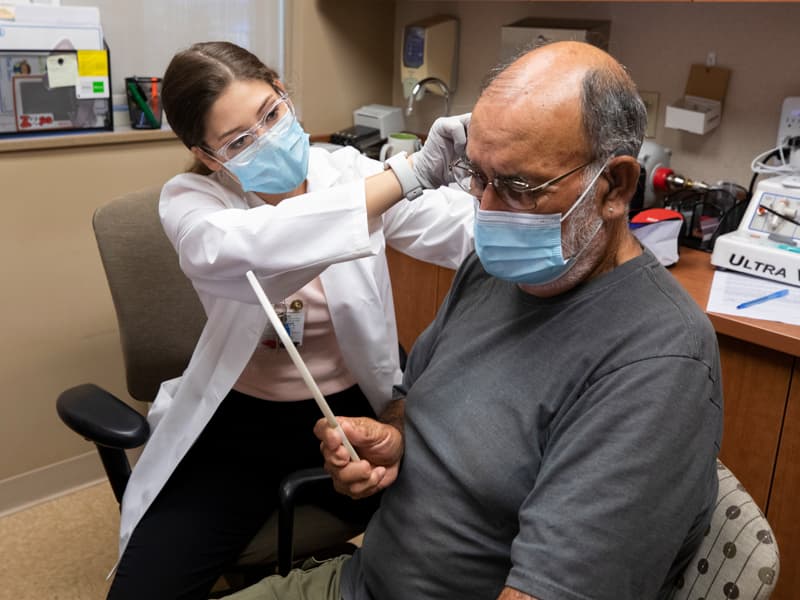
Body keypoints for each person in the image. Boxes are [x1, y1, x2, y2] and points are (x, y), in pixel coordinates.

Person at [225, 40, 724, 600]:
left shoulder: (656, 361)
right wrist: (393, 434)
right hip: (358, 582)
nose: (484, 210)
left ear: (614, 188)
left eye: (516, 187)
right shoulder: (494, 270)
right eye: (478, 177)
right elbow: (421, 395)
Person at [106, 41, 474, 600]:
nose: (268, 138)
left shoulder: (347, 172)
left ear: (282, 89)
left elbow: (456, 227)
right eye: (239, 141)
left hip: (357, 406)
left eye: (271, 114)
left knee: (456, 542)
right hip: (242, 420)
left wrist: (525, 198)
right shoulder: (193, 202)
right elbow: (259, 245)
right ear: (208, 156)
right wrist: (405, 175)